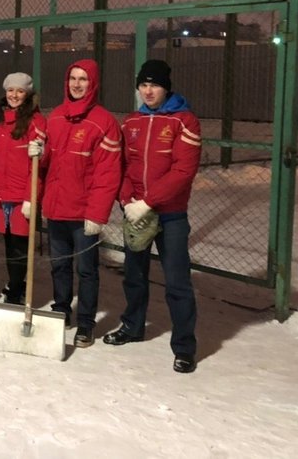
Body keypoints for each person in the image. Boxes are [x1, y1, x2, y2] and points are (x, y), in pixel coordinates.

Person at [103, 60, 202, 374]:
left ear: (166, 87)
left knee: (177, 282)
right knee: (134, 275)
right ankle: (132, 326)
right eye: (143, 85)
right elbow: (126, 167)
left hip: (169, 215)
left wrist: (148, 201)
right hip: (136, 212)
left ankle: (184, 346)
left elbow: (182, 171)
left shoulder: (185, 122)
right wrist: (127, 198)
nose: (148, 91)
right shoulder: (132, 122)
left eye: (154, 85)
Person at [32, 59, 121, 347]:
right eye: (73, 78)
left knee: (86, 270)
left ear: (92, 83)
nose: (77, 84)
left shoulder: (103, 122)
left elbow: (108, 174)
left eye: (83, 79)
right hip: (57, 208)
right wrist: (40, 152)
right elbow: (49, 164)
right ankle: (61, 310)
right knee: (59, 266)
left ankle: (85, 322)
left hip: (84, 214)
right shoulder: (56, 116)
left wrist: (97, 214)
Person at [0, 73, 46, 304]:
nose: (14, 95)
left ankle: (17, 287)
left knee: (20, 246)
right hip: (0, 194)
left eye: (20, 91)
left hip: (20, 197)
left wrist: (30, 198)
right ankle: (15, 283)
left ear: (28, 95)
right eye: (10, 91)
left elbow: (38, 166)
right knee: (8, 244)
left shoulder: (35, 122)